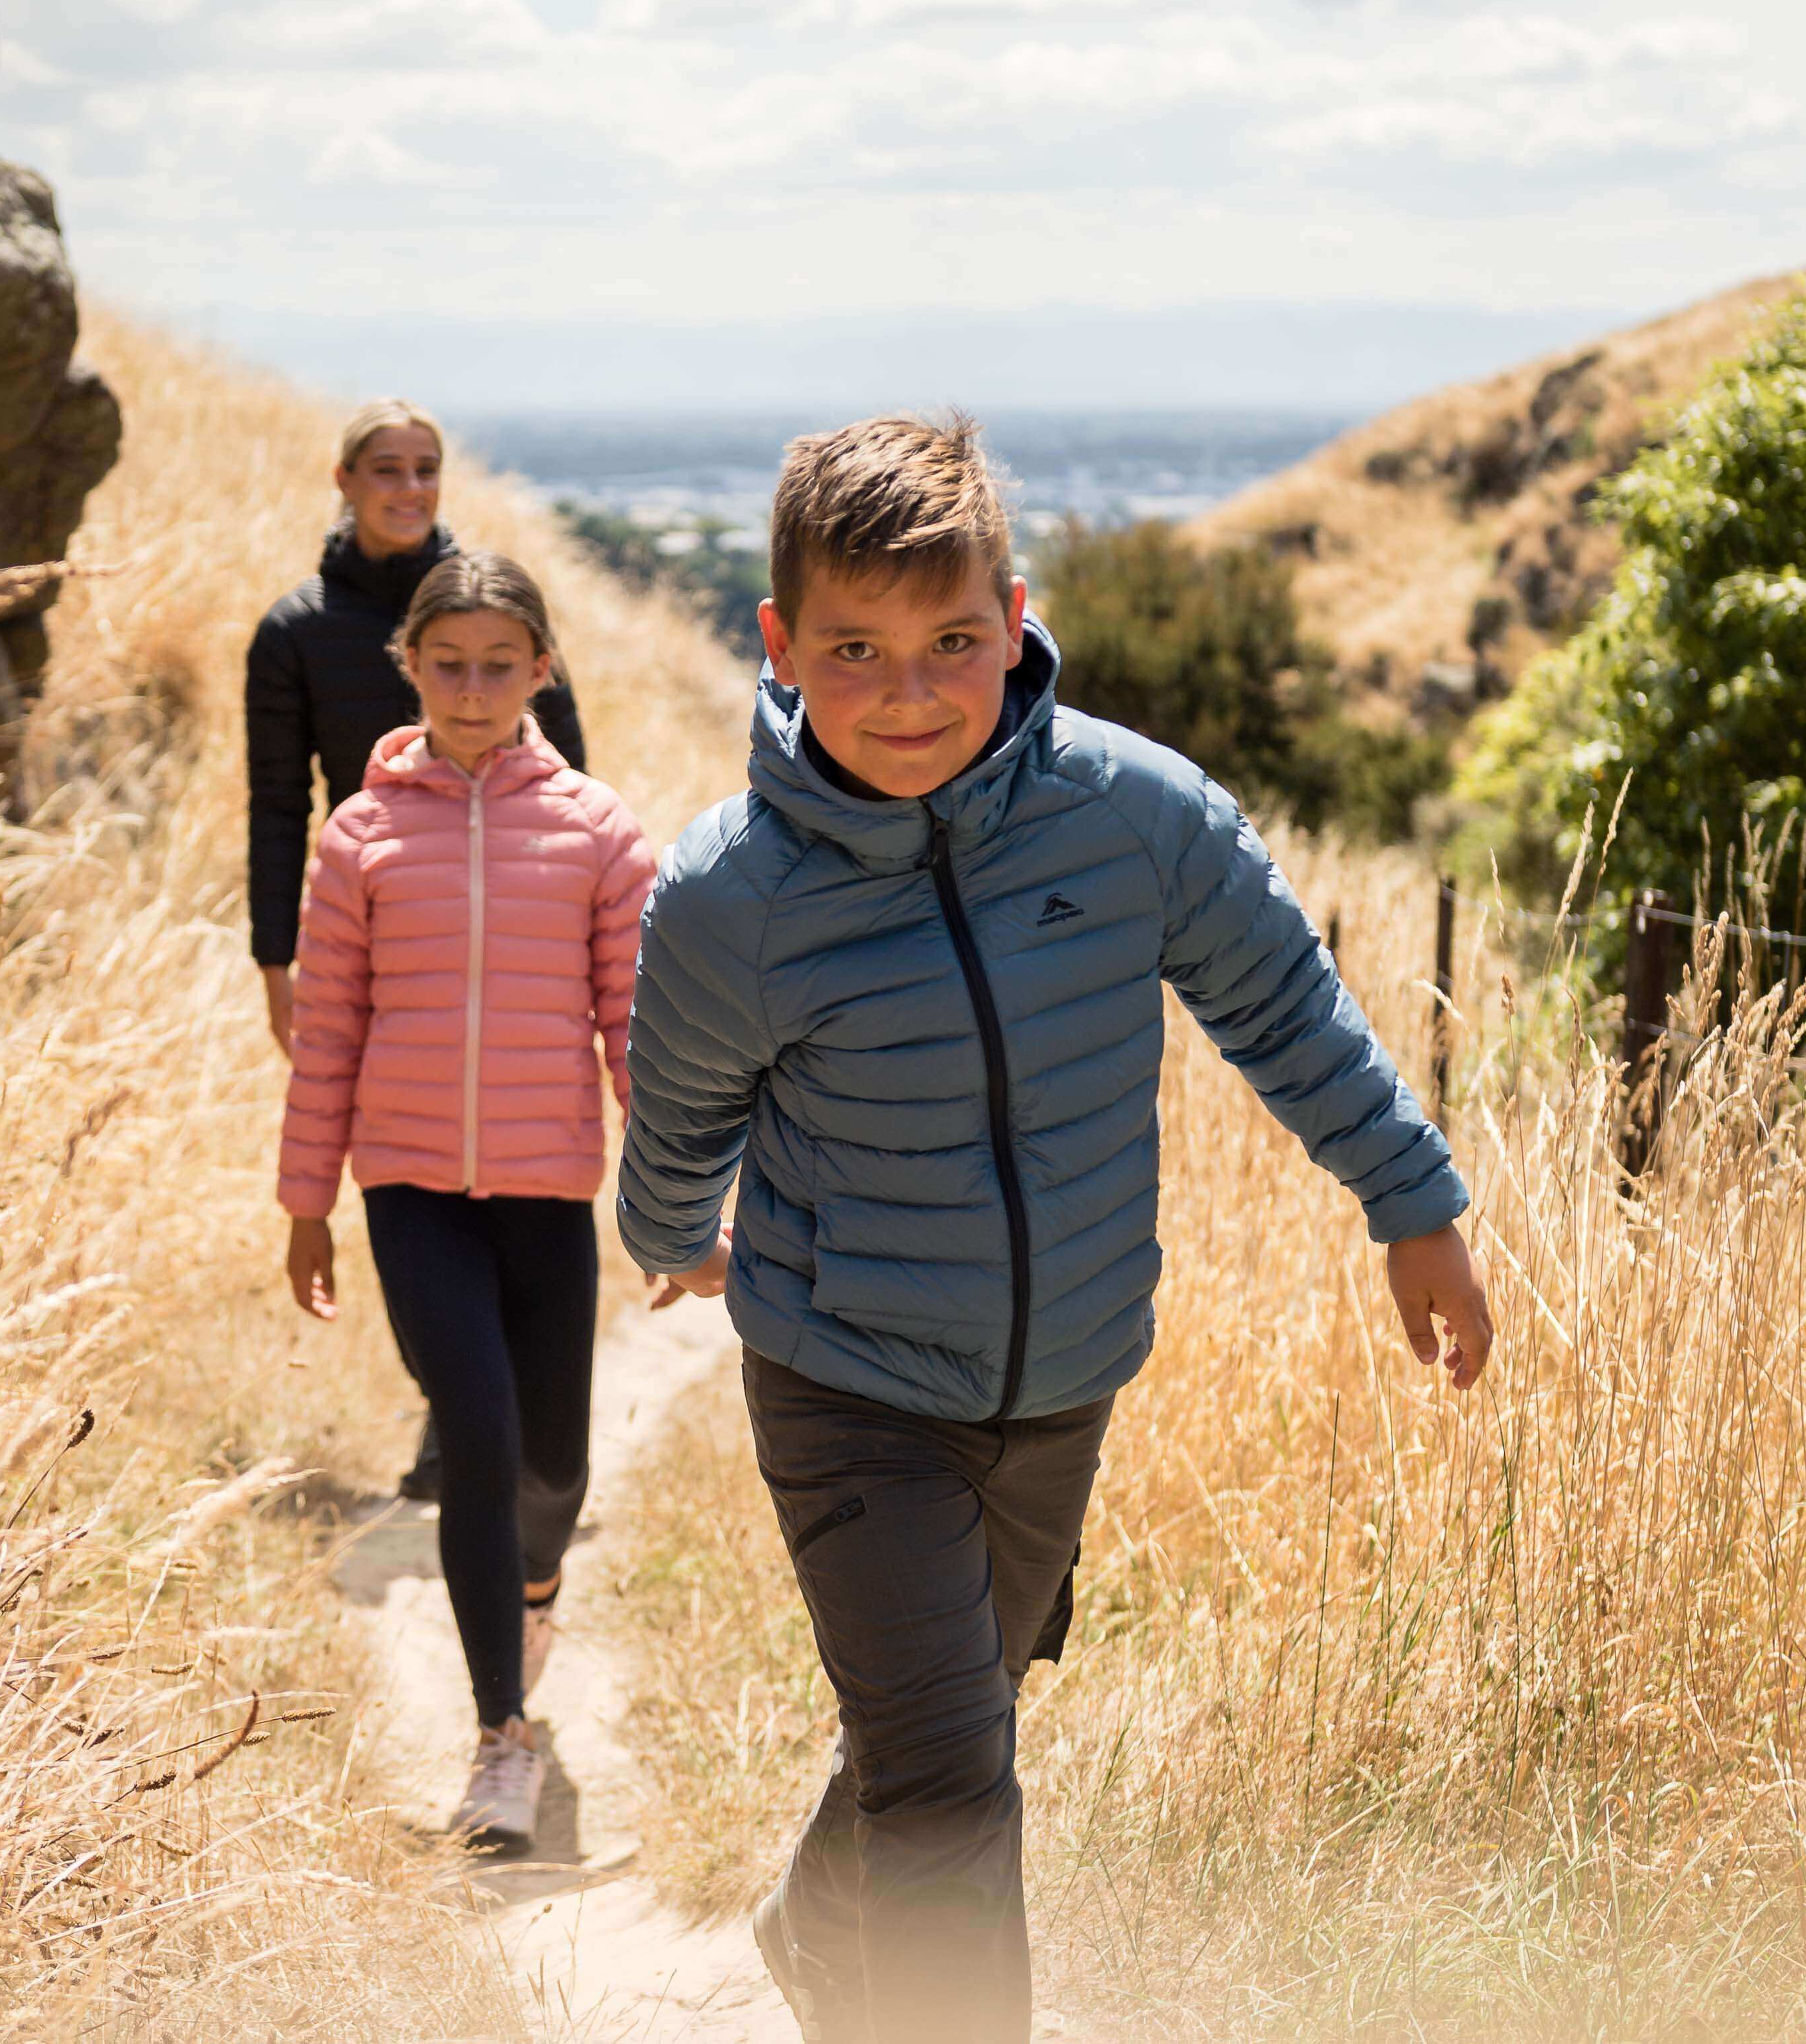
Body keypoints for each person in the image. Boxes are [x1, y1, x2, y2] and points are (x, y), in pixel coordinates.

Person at [615, 414, 1494, 2041]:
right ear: (780, 646)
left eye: (952, 642)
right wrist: (670, 1233)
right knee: (950, 1788)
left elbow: (1284, 1012)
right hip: (846, 1384)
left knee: (950, 1723)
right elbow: (675, 1119)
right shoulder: (729, 899)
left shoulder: (1132, 814)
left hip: (1063, 1377)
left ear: (1012, 617)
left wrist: (1408, 1200)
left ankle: (818, 1925)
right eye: (854, 650)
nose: (907, 692)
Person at [274, 550, 653, 1856]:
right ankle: (502, 1742)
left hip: (548, 1190)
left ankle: (533, 1584)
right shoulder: (360, 837)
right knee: (480, 1443)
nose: (474, 688)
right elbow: (327, 1032)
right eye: (449, 664)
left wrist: (673, 1201)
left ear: (540, 671)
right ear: (411, 668)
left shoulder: (599, 834)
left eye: (501, 665)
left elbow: (631, 1033)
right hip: (410, 1192)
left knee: (554, 1466)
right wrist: (304, 1204)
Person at [250, 399, 590, 1502]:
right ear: (343, 480)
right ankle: (461, 1400)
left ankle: (473, 1425)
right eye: (386, 469)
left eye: (426, 469)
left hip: (507, 936)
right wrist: (275, 959)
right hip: (376, 925)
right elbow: (273, 804)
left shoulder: (495, 609)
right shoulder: (294, 630)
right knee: (406, 1191)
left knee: (492, 1202)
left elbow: (567, 775)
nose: (409, 488)